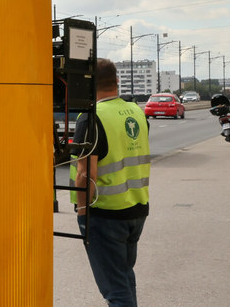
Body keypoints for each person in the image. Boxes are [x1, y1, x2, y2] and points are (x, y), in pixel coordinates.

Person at [71, 58, 151, 307]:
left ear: (88, 84)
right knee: (125, 278)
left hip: (105, 215)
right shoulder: (137, 111)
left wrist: (83, 214)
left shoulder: (92, 117)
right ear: (116, 81)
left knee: (115, 290)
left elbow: (86, 173)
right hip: (136, 210)